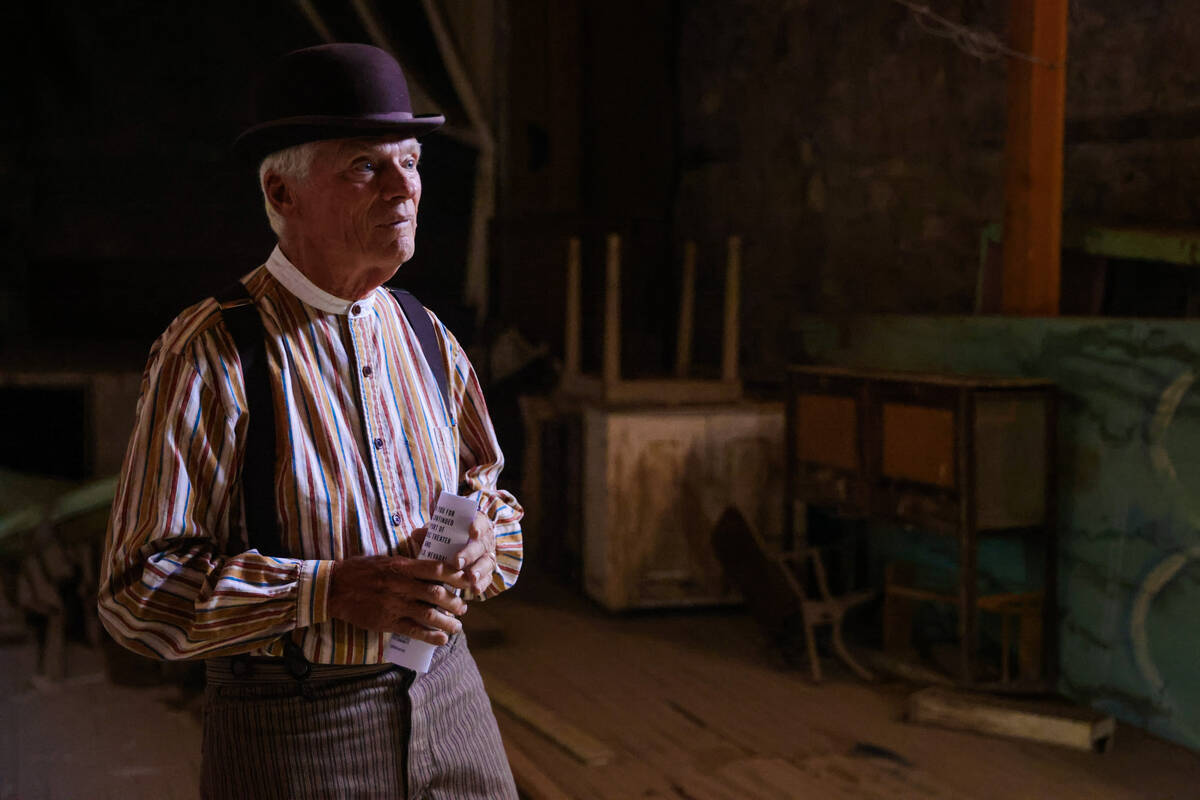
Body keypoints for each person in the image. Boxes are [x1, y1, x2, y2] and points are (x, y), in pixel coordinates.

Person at [97, 43, 523, 799]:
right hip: (294, 721)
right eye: (366, 166)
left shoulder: (426, 333)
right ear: (281, 192)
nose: (404, 189)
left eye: (412, 162)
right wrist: (321, 592)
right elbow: (137, 594)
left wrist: (487, 543)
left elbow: (495, 499)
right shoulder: (211, 350)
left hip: (452, 693)